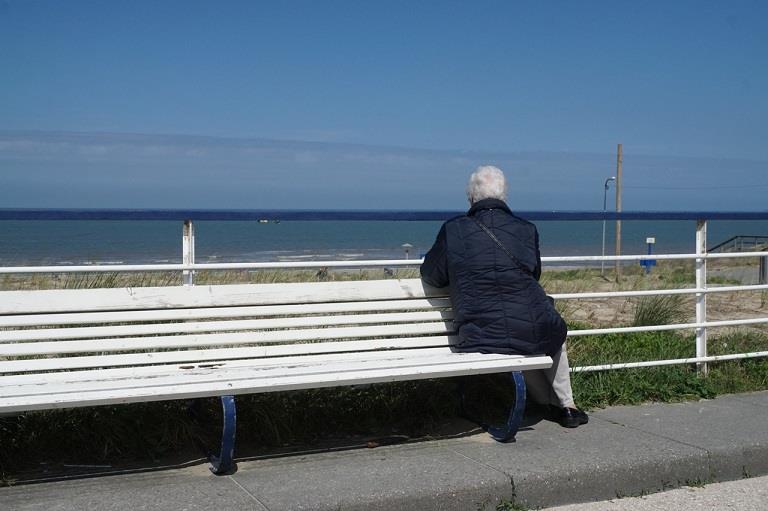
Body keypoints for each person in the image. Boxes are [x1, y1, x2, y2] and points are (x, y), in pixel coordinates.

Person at [420, 165, 588, 428]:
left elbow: (433, 275)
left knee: (519, 335)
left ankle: (546, 403)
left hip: (480, 330)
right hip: (530, 325)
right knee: (548, 330)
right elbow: (534, 273)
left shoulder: (454, 229)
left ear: (471, 197)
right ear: (504, 196)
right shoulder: (526, 229)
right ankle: (566, 406)